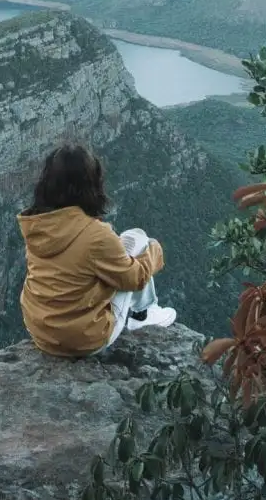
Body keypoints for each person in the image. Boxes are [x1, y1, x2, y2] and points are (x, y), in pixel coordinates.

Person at [18, 143, 176, 358]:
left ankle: (144, 311)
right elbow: (135, 279)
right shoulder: (97, 235)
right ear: (91, 184)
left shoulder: (36, 224)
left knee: (128, 240)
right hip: (83, 340)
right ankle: (143, 315)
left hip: (41, 333)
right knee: (141, 241)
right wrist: (154, 251)